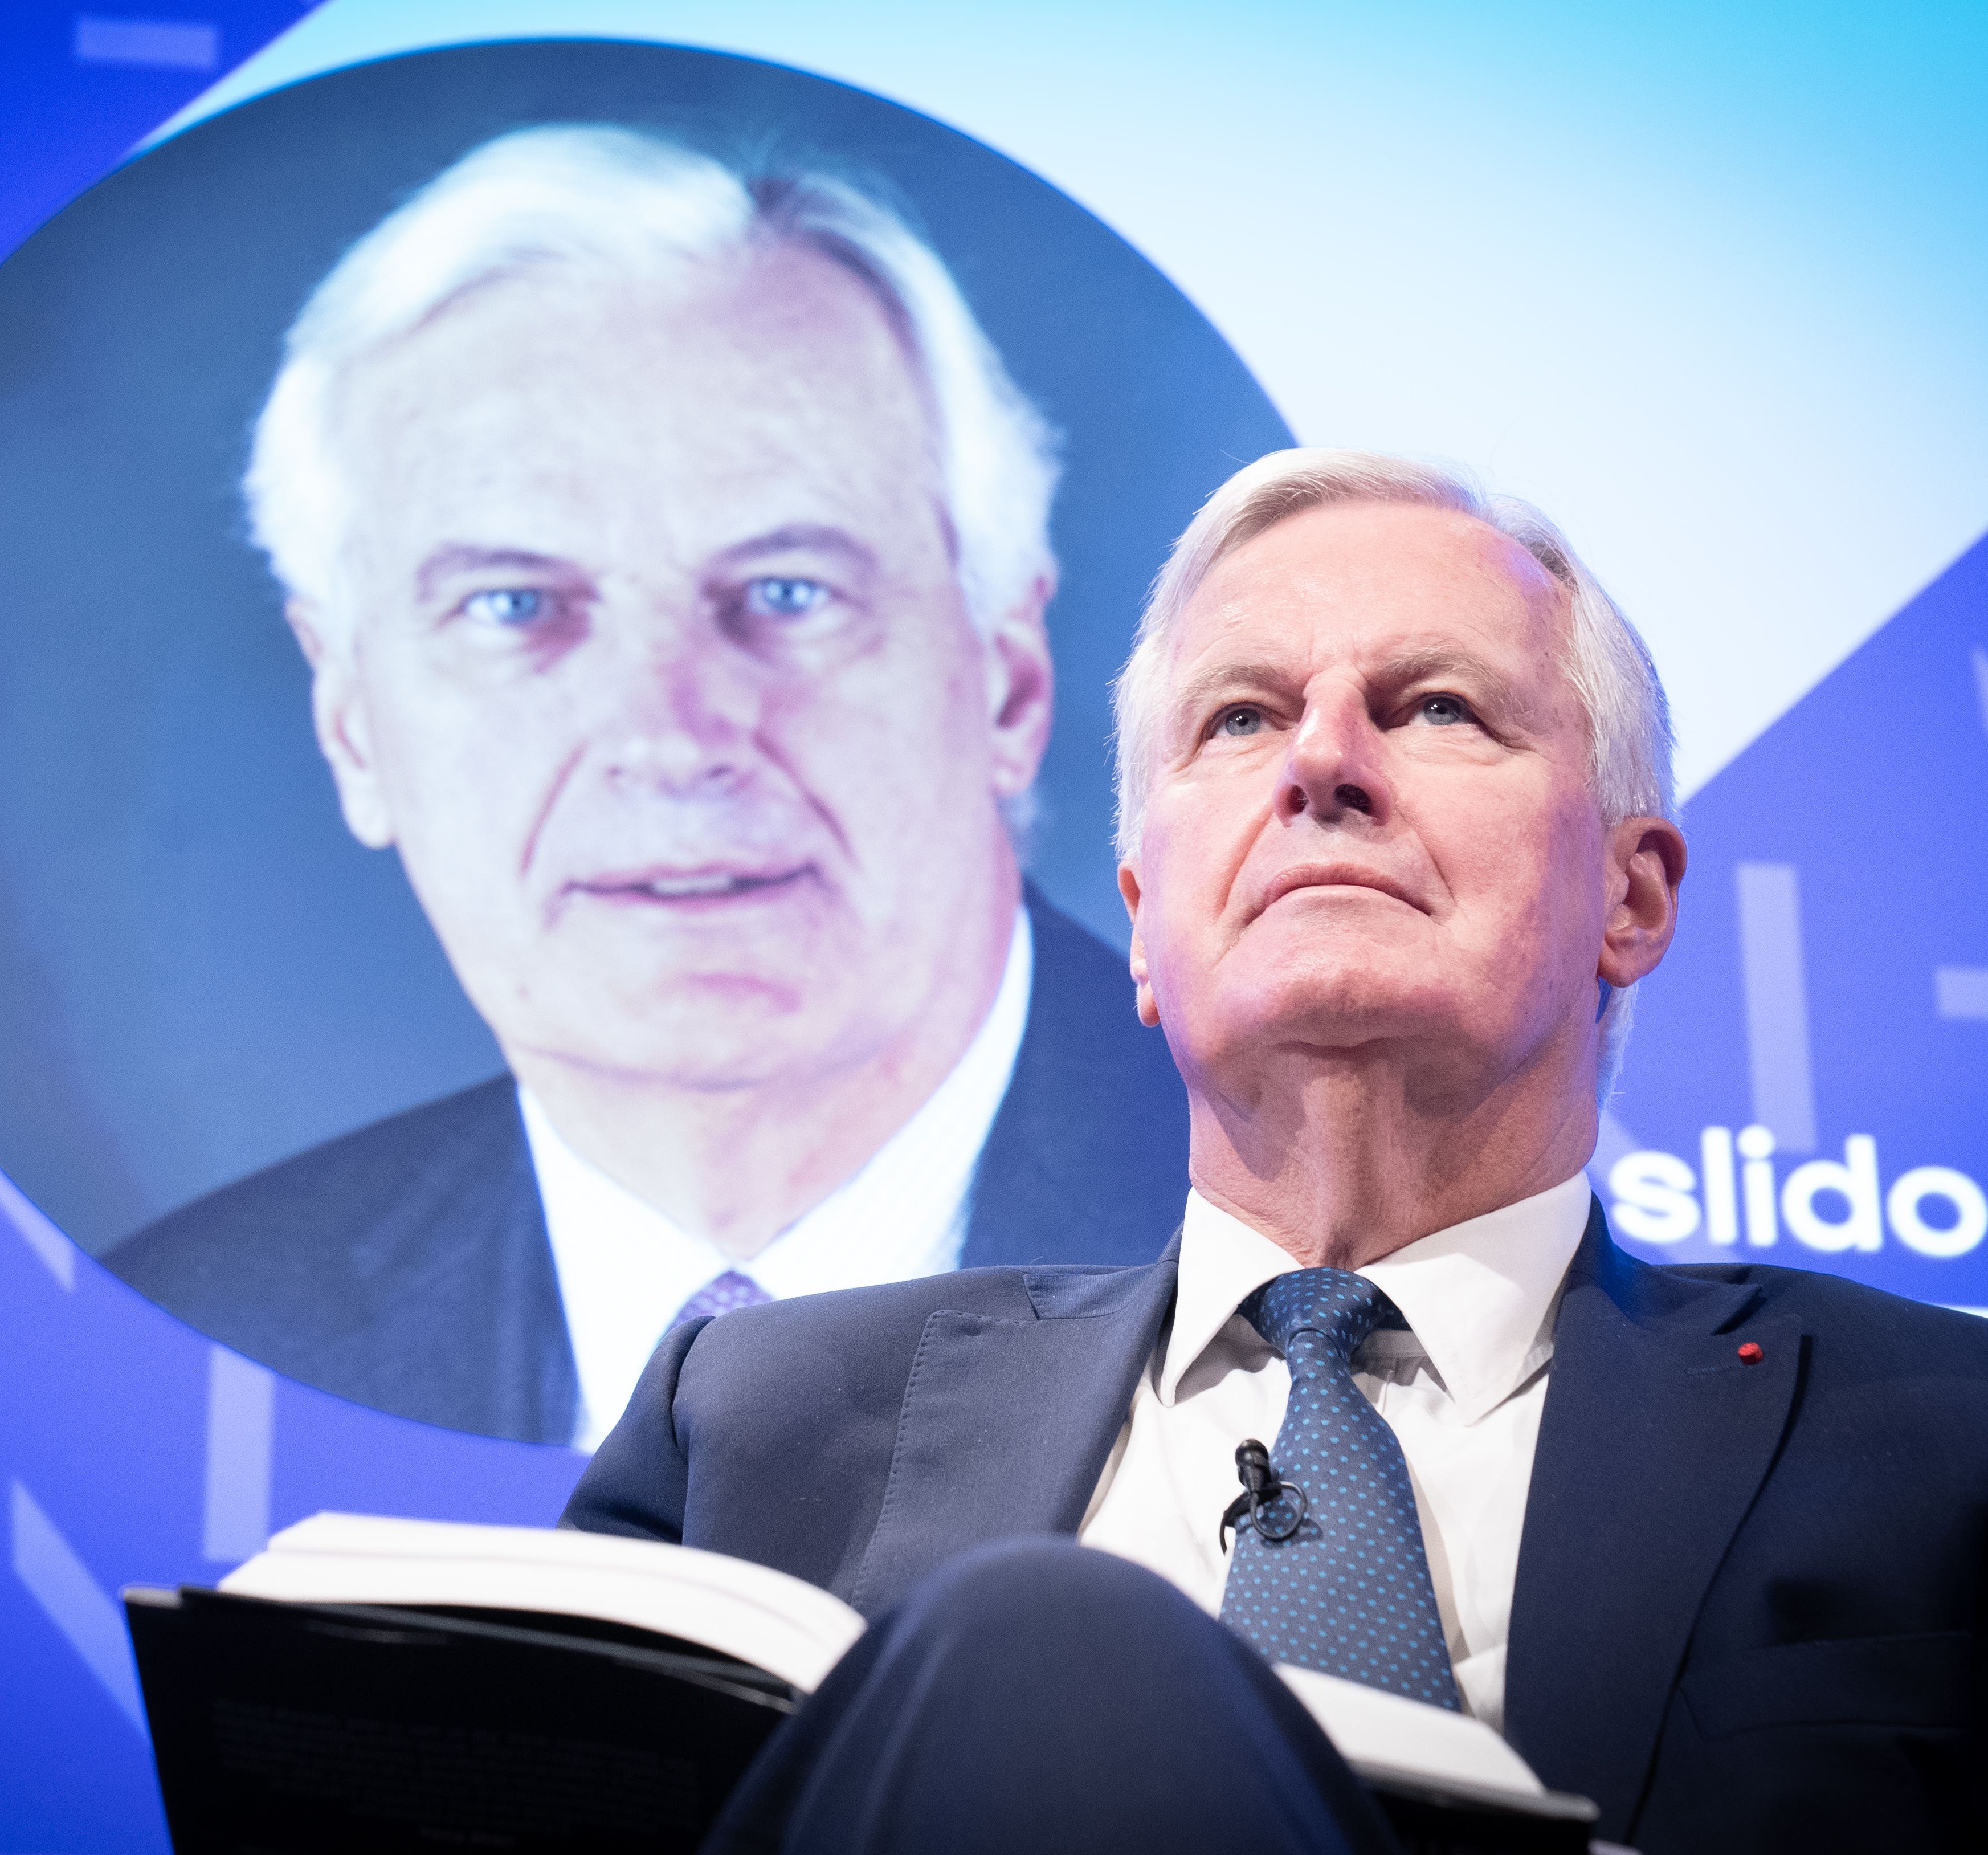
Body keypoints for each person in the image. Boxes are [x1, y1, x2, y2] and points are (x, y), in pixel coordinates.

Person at [564, 449, 1988, 1851]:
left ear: (1634, 895)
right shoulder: (749, 1423)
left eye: (1434, 707)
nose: (1319, 765)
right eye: (1237, 720)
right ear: (1143, 931)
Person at [104, 126, 1190, 1448]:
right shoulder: (189, 1337)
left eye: (789, 592)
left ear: (1008, 685)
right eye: (514, 605)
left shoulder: (1333, 1241)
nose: (670, 733)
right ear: (349, 725)